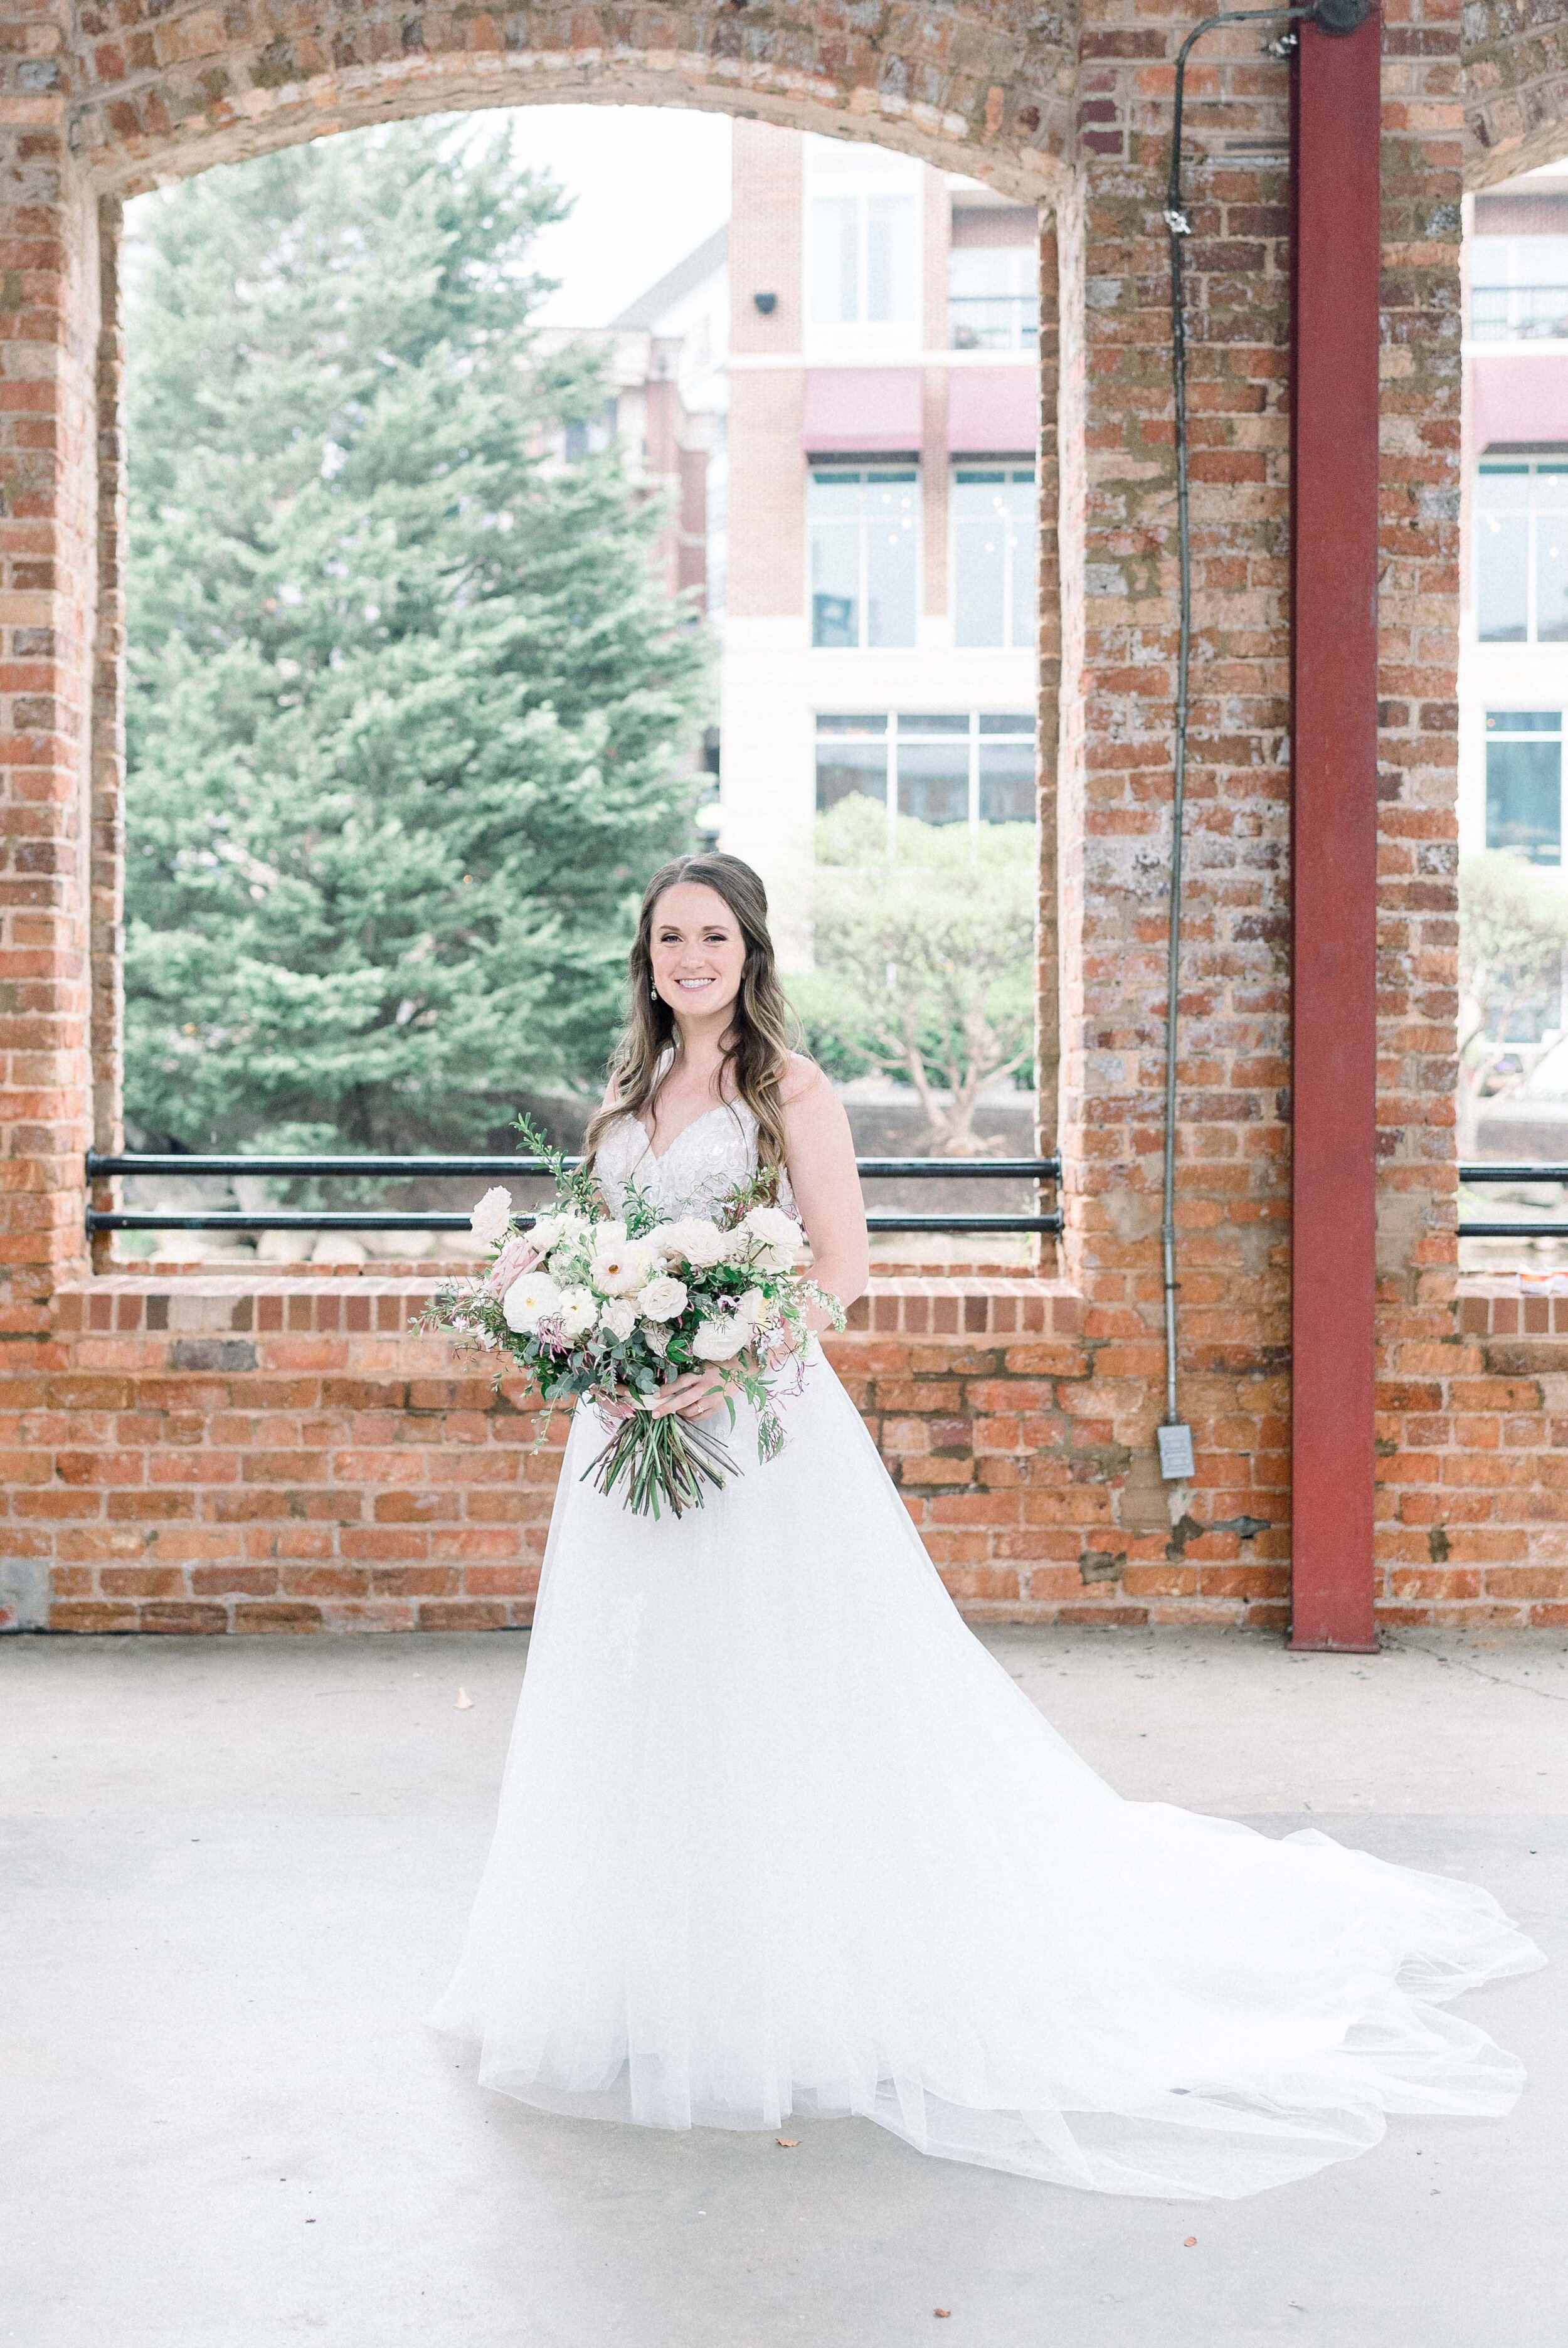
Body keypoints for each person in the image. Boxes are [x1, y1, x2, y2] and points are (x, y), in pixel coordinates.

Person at [428, 851, 1544, 2199]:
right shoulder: (625, 1096)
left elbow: (837, 1269)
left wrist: (722, 1357)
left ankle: (793, 1971)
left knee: (776, 1691)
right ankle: (642, 1966)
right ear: (645, 957)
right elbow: (596, 1241)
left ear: (750, 949)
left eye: (711, 936)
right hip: (623, 1438)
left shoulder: (792, 1094)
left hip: (752, 1431)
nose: (689, 959)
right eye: (667, 938)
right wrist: (593, 1334)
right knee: (638, 1687)